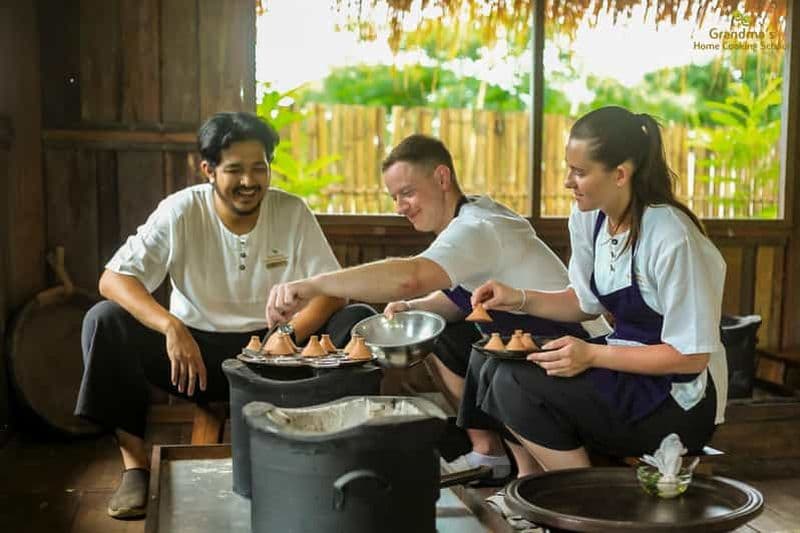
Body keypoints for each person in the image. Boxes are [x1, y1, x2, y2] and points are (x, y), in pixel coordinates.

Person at [74, 112, 374, 519]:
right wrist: (170, 325)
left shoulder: (292, 211)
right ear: (208, 170)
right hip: (194, 353)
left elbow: (332, 293)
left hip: (276, 354)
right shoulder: (180, 211)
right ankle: (136, 470)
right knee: (104, 319)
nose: (249, 182)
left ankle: (338, 459)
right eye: (235, 170)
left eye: (259, 168)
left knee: (357, 318)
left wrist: (284, 335)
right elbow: (113, 279)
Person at [266, 134, 608, 482]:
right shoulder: (467, 219)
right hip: (530, 340)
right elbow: (460, 300)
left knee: (495, 361)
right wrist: (412, 307)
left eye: (408, 193)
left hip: (580, 346)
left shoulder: (477, 226)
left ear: (442, 178)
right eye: (395, 198)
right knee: (432, 327)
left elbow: (411, 276)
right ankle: (497, 458)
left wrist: (314, 284)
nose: (401, 206)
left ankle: (543, 480)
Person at [470, 106, 728, 471]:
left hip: (676, 400)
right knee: (489, 363)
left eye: (579, 172)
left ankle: (582, 499)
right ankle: (530, 487)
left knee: (516, 382)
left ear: (620, 174)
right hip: (623, 370)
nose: (567, 182)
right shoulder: (590, 217)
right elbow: (583, 302)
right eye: (568, 169)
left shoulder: (672, 238)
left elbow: (691, 356)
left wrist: (591, 356)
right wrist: (518, 299)